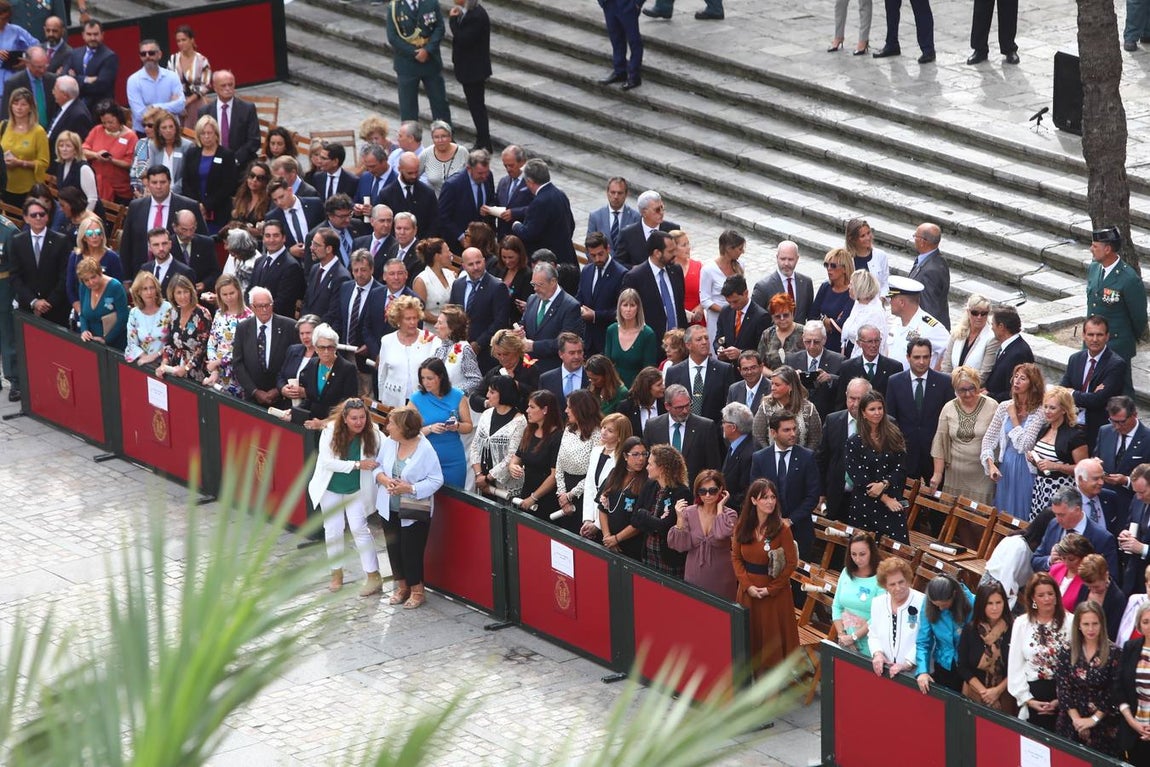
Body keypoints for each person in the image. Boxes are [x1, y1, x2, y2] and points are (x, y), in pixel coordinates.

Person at [307, 397, 384, 596]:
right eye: (354, 418)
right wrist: (357, 465)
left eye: (362, 417)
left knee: (359, 528)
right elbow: (327, 462)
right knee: (333, 529)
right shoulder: (330, 430)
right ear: (345, 418)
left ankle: (373, 576)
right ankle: (336, 573)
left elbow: (386, 450)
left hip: (357, 489)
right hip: (331, 487)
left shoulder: (374, 433)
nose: (359, 422)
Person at [373, 405, 445, 609]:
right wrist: (385, 480)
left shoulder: (425, 449)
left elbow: (436, 479)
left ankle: (417, 591)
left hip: (413, 509)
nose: (387, 427)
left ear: (404, 428)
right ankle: (402, 587)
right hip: (389, 506)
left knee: (411, 550)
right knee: (393, 548)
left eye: (391, 424)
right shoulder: (390, 443)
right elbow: (377, 466)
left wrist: (410, 488)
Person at [981, 362, 1045, 519]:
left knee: (1023, 514)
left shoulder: (1040, 411)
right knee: (1003, 512)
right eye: (1016, 377)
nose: (1017, 381)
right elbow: (988, 440)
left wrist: (1014, 417)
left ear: (1033, 384)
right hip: (1007, 465)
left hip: (1027, 467)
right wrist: (991, 465)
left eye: (1023, 378)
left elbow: (1025, 445)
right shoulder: (1004, 406)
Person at [1055, 601, 1121, 755]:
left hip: (1103, 726)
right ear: (1078, 625)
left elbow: (1113, 692)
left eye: (1095, 624)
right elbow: (1063, 687)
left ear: (1102, 624)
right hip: (1070, 723)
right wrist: (1077, 720)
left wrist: (1093, 720)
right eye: (1086, 624)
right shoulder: (1066, 650)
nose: (1091, 629)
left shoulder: (1115, 653)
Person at [1008, 572, 1071, 731]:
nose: (1047, 599)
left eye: (1050, 594)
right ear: (1033, 599)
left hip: (1063, 698)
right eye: (1041, 595)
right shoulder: (1021, 623)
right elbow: (1015, 665)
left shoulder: (1070, 622)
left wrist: (1061, 699)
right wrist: (1028, 700)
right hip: (1033, 696)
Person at [845, 389, 908, 542]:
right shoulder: (854, 441)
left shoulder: (894, 434)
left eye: (880, 408)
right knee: (865, 549)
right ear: (863, 413)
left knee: (900, 549)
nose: (877, 413)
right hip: (865, 504)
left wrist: (884, 484)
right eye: (872, 409)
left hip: (893, 498)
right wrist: (884, 498)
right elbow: (858, 477)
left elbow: (901, 467)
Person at [1087, 227, 1146, 388]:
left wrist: (1125, 339)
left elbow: (1139, 318)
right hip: (1093, 344)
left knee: (1121, 391)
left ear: (1107, 249)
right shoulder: (1094, 268)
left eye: (1095, 246)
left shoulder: (1129, 279)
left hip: (1117, 347)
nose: (1091, 249)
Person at [929, 366, 997, 505]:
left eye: (971, 388)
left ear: (977, 385)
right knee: (954, 516)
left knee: (979, 515)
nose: (967, 394)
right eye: (962, 390)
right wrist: (937, 474)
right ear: (955, 389)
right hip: (955, 476)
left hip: (982, 477)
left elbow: (997, 440)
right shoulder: (948, 408)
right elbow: (940, 443)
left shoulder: (992, 406)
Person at [1062, 316, 1130, 451]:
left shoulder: (1116, 364)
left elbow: (1098, 400)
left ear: (1107, 336)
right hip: (1071, 425)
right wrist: (1088, 396)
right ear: (1083, 336)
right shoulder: (1075, 359)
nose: (1094, 339)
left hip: (1096, 431)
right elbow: (1061, 391)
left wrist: (1072, 393)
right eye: (1090, 334)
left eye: (1099, 335)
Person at [668, 469, 738, 600]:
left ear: (721, 490)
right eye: (702, 491)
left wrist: (720, 508)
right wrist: (680, 519)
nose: (707, 495)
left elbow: (721, 534)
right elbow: (679, 546)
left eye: (712, 490)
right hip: (694, 575)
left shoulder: (730, 514)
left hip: (723, 577)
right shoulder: (689, 512)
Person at [409, 356, 471, 488]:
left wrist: (457, 426)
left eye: (430, 378)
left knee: (454, 497)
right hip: (426, 458)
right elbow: (407, 431)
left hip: (453, 459)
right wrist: (430, 429)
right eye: (423, 378)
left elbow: (468, 426)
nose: (425, 382)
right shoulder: (416, 399)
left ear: (441, 377)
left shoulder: (457, 395)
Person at [632, 444, 692, 577]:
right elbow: (635, 519)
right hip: (648, 554)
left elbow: (666, 528)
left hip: (669, 560)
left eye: (650, 464)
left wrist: (644, 515)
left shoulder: (682, 493)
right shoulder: (650, 485)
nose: (646, 467)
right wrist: (655, 523)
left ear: (662, 468)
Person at [1030, 386, 1089, 519]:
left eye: (1052, 408)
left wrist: (1056, 466)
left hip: (1061, 490)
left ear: (1064, 410)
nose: (1047, 411)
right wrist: (1034, 460)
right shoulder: (1045, 429)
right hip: (1040, 488)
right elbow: (1043, 463)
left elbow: (1083, 469)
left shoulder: (1075, 435)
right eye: (1045, 407)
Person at [387, 0, 450, 124]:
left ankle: (444, 133)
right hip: (407, 64)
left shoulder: (431, 3)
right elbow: (393, 37)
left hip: (430, 61)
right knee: (408, 107)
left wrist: (427, 50)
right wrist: (414, 53)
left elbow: (439, 28)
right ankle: (410, 135)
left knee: (439, 103)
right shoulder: (395, 7)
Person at [957, 581, 1016, 713]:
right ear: (981, 604)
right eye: (990, 603)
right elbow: (962, 666)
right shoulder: (970, 630)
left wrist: (996, 692)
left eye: (998, 602)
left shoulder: (1015, 629)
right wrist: (985, 693)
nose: (995, 608)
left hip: (1004, 696)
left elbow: (1018, 667)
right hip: (973, 694)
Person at [552, 389, 603, 533]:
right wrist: (562, 494)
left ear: (581, 409)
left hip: (585, 494)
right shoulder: (569, 429)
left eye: (569, 407)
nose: (566, 410)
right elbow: (559, 463)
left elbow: (594, 472)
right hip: (564, 491)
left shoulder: (597, 434)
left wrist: (571, 495)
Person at [509, 390, 563, 523]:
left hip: (546, 499)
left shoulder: (557, 437)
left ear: (545, 410)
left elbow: (554, 475)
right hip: (527, 492)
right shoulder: (529, 430)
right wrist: (512, 466)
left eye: (532, 407)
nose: (527, 410)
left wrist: (533, 498)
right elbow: (517, 456)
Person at [915, 575, 975, 694]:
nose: (941, 608)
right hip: (943, 662)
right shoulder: (928, 603)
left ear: (954, 594)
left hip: (968, 666)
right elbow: (923, 641)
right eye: (936, 605)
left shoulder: (971, 602)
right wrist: (922, 671)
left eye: (944, 604)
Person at [470, 374, 526, 498]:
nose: (487, 395)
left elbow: (512, 456)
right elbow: (475, 446)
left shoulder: (519, 421)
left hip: (504, 488)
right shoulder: (486, 414)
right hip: (482, 481)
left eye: (492, 392)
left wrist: (488, 478)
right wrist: (479, 474)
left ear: (504, 394)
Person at [510, 159, 577, 265]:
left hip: (549, 262)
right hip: (566, 256)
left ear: (530, 182)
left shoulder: (539, 202)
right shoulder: (560, 194)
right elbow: (571, 224)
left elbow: (529, 234)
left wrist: (516, 225)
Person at [869, 557, 925, 679]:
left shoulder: (922, 602)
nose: (898, 588)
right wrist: (877, 654)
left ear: (908, 580)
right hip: (885, 672)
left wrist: (907, 663)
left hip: (916, 674)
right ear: (885, 585)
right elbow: (873, 634)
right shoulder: (877, 603)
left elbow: (926, 638)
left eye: (901, 582)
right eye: (892, 584)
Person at [376, 295, 437, 408]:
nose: (412, 322)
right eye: (408, 319)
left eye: (415, 318)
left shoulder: (430, 339)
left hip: (423, 401)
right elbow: (382, 374)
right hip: (393, 401)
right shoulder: (387, 340)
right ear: (398, 320)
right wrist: (381, 400)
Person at [596, 435, 649, 559]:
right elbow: (602, 508)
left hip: (632, 545)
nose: (641, 459)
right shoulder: (614, 473)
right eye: (635, 454)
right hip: (608, 541)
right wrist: (607, 537)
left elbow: (640, 522)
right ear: (625, 456)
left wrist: (617, 539)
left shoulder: (647, 481)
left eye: (644, 454)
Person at [448, 0, 491, 150]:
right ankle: (482, 140)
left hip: (474, 70)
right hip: (469, 69)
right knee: (475, 107)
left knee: (477, 108)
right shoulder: (468, 13)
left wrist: (452, 21)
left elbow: (463, 39)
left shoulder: (477, 16)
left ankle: (484, 142)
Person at [183, 115, 237, 234]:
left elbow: (229, 185)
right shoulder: (192, 153)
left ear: (216, 134)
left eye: (209, 133)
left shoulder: (226, 155)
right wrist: (196, 205)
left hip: (218, 210)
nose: (206, 137)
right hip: (194, 209)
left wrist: (206, 205)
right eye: (203, 133)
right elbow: (186, 181)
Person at [580, 412, 630, 535]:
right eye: (603, 427)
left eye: (610, 431)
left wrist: (597, 525)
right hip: (591, 517)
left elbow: (614, 494)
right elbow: (590, 486)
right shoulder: (596, 451)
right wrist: (588, 519)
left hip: (610, 522)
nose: (603, 432)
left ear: (620, 437)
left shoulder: (622, 459)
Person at [751, 365, 822, 450]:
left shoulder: (808, 408)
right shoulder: (765, 406)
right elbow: (758, 437)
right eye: (772, 384)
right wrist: (771, 455)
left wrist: (803, 456)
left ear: (790, 386)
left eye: (777, 385)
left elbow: (815, 440)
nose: (773, 388)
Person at [832, 531, 881, 657]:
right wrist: (842, 635)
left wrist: (854, 637)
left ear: (872, 552)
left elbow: (879, 616)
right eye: (853, 554)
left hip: (871, 642)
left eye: (862, 554)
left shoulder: (881, 578)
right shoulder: (846, 572)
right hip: (845, 638)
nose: (857, 559)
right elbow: (836, 606)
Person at [202, 274, 252, 397]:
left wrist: (219, 362)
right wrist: (214, 368)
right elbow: (212, 342)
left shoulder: (249, 317)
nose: (229, 298)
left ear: (239, 292)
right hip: (218, 373)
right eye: (224, 294)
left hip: (238, 374)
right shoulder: (219, 313)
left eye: (232, 293)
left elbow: (245, 349)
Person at [156, 274, 211, 382]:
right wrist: (164, 363)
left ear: (191, 292)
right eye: (179, 292)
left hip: (196, 372)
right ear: (173, 295)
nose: (183, 296)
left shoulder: (202, 313)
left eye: (186, 292)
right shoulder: (172, 312)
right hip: (174, 369)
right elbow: (169, 342)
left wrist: (186, 368)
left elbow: (203, 347)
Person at [65, 214, 122, 316]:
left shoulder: (112, 257)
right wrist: (81, 311)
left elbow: (118, 287)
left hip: (106, 312)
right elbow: (70, 287)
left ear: (102, 235)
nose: (94, 236)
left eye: (98, 232)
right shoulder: (75, 256)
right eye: (90, 233)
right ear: (84, 237)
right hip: (81, 312)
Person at [0, 87, 48, 206]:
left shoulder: (38, 132)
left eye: (23, 104)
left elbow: (44, 163)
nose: (19, 108)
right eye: (15, 104)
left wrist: (20, 163)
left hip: (27, 190)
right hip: (5, 186)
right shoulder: (3, 126)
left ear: (30, 107)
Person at [1115, 602, 1150, 765]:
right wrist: (1131, 721)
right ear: (1139, 625)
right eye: (1146, 622)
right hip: (1133, 729)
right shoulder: (1130, 647)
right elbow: (1119, 687)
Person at [697, 229, 745, 347]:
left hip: (737, 317)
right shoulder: (708, 270)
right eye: (739, 249)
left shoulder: (740, 265)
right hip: (717, 319)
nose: (742, 252)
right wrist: (726, 311)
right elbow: (705, 300)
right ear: (729, 249)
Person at [82, 100, 135, 204]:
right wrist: (96, 155)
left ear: (119, 118)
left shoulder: (131, 136)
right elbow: (82, 151)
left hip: (119, 191)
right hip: (96, 186)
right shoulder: (97, 130)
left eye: (111, 122)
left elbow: (130, 163)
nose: (107, 125)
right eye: (104, 123)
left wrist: (111, 160)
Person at [126, 38, 184, 134]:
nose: (147, 56)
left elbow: (180, 106)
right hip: (145, 133)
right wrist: (170, 106)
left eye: (151, 53)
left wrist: (153, 107)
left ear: (159, 54)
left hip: (171, 132)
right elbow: (140, 115)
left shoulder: (172, 76)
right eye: (143, 54)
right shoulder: (133, 80)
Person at [603, 287, 657, 387]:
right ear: (619, 307)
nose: (628, 310)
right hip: (614, 388)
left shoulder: (647, 334)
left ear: (638, 308)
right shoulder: (611, 330)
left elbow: (649, 371)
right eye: (625, 305)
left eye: (632, 305)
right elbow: (607, 364)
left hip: (638, 389)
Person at [983, 304, 1035, 402]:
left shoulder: (1018, 354)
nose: (992, 328)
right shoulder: (1009, 347)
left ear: (1001, 326)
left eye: (993, 324)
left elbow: (1015, 391)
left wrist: (990, 396)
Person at [75, 255, 127, 350]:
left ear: (100, 273)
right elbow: (83, 314)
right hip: (92, 343)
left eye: (93, 277)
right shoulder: (83, 287)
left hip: (115, 345)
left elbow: (123, 318)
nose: (91, 282)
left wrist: (105, 340)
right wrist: (84, 330)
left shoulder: (115, 287)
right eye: (86, 280)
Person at [941, 294, 999, 380]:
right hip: (949, 382)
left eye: (984, 313)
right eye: (975, 313)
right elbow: (946, 364)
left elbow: (984, 374)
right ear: (968, 312)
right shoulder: (957, 331)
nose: (979, 317)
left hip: (972, 386)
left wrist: (962, 385)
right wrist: (947, 381)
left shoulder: (992, 338)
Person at [810, 248, 855, 357]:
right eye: (826, 265)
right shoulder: (825, 287)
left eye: (833, 266)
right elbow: (811, 316)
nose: (829, 269)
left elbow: (841, 325)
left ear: (845, 269)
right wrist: (827, 321)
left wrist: (823, 319)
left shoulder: (852, 292)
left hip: (840, 348)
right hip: (821, 345)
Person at [431, 304, 482, 395]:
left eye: (440, 323)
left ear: (452, 327)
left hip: (455, 402)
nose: (435, 326)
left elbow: (476, 381)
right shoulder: (436, 344)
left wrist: (452, 392)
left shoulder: (464, 348)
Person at [168, 25, 211, 130]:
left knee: (199, 130)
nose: (181, 43)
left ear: (192, 40)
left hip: (196, 103)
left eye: (184, 40)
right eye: (178, 41)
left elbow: (205, 85)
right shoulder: (173, 59)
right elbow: (169, 83)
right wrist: (179, 103)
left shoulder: (202, 60)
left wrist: (187, 101)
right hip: (178, 102)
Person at [123, 271, 171, 366]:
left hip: (166, 362)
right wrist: (145, 358)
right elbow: (132, 343)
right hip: (144, 363)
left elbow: (174, 340)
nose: (149, 292)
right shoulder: (134, 313)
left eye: (152, 288)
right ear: (138, 292)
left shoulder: (168, 308)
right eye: (145, 289)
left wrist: (155, 356)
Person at [839, 269, 887, 358]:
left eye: (851, 284)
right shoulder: (858, 302)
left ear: (859, 287)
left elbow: (874, 346)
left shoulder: (875, 313)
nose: (848, 286)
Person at [278, 314, 321, 409]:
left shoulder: (324, 356)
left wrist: (305, 392)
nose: (305, 337)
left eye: (308, 333)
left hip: (311, 409)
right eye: (302, 333)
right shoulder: (293, 350)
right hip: (286, 406)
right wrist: (283, 389)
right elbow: (281, 375)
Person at [599, 0, 643, 89]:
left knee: (634, 41)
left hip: (627, 5)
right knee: (616, 39)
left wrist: (637, 3)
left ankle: (634, 76)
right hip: (608, 4)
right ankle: (619, 71)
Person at [412, 236, 456, 322]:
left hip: (452, 328)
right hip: (432, 328)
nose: (451, 254)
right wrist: (441, 322)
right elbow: (419, 310)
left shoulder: (451, 275)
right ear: (437, 256)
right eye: (447, 251)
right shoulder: (421, 281)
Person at [52, 131, 97, 213]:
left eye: (68, 146)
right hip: (70, 212)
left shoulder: (84, 168)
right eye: (61, 146)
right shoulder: (61, 165)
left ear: (76, 149)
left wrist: (83, 217)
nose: (64, 149)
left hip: (86, 214)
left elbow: (92, 199)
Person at [614, 365, 665, 437]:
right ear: (646, 388)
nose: (663, 387)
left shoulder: (665, 405)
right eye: (659, 385)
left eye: (662, 383)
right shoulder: (625, 408)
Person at [418, 120, 467, 194]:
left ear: (450, 137)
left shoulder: (462, 152)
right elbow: (413, 177)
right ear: (432, 139)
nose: (440, 140)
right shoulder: (426, 154)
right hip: (435, 200)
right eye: (436, 137)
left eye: (444, 136)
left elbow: (471, 177)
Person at [844, 218, 890, 297]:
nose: (868, 238)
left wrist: (882, 298)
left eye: (868, 233)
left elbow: (885, 283)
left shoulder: (881, 256)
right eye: (862, 236)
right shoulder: (845, 259)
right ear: (852, 239)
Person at [1048, 531, 1093, 611]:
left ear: (1084, 557)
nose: (1066, 563)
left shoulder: (1089, 578)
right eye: (1063, 558)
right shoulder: (1055, 569)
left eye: (1071, 559)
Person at [492, 234, 530, 326]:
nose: (507, 261)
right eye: (504, 257)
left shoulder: (527, 275)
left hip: (514, 323)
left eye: (511, 257)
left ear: (519, 255)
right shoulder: (499, 269)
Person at [757, 292, 803, 367]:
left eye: (786, 315)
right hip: (772, 374)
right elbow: (760, 365)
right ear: (772, 317)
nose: (782, 319)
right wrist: (775, 374)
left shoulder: (804, 332)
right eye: (778, 316)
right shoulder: (767, 334)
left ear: (792, 313)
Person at [228, 160, 272, 237]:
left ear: (266, 181)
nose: (254, 180)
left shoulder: (269, 202)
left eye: (260, 178)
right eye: (252, 176)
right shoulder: (240, 198)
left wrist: (244, 229)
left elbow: (266, 231)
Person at [220, 228, 261, 296]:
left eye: (228, 244)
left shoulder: (248, 267)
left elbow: (244, 294)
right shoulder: (246, 258)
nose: (226, 248)